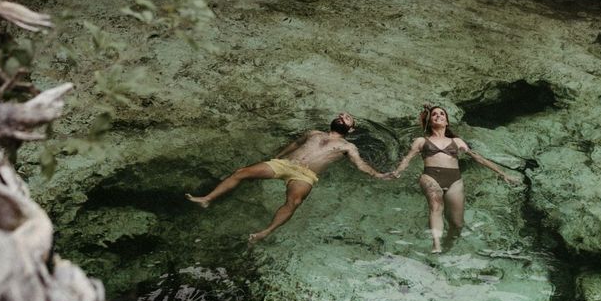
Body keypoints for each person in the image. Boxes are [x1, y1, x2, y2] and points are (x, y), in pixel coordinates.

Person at [186, 112, 386, 242]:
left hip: (306, 175)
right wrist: (278, 156)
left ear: (351, 129)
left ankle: (265, 232)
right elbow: (295, 145)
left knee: (293, 202)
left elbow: (360, 164)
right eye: (341, 115)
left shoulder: (348, 146)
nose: (343, 116)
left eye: (348, 118)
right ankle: (206, 199)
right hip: (285, 164)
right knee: (241, 172)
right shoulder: (313, 132)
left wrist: (378, 174)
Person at [387, 104, 519, 253]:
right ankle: (436, 245)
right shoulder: (421, 141)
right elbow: (408, 158)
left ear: (447, 121)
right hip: (430, 177)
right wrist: (397, 171)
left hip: (454, 180)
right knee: (436, 207)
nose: (438, 116)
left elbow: (478, 158)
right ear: (430, 122)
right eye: (435, 114)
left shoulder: (457, 141)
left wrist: (503, 173)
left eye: (442, 114)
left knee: (457, 224)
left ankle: (448, 245)